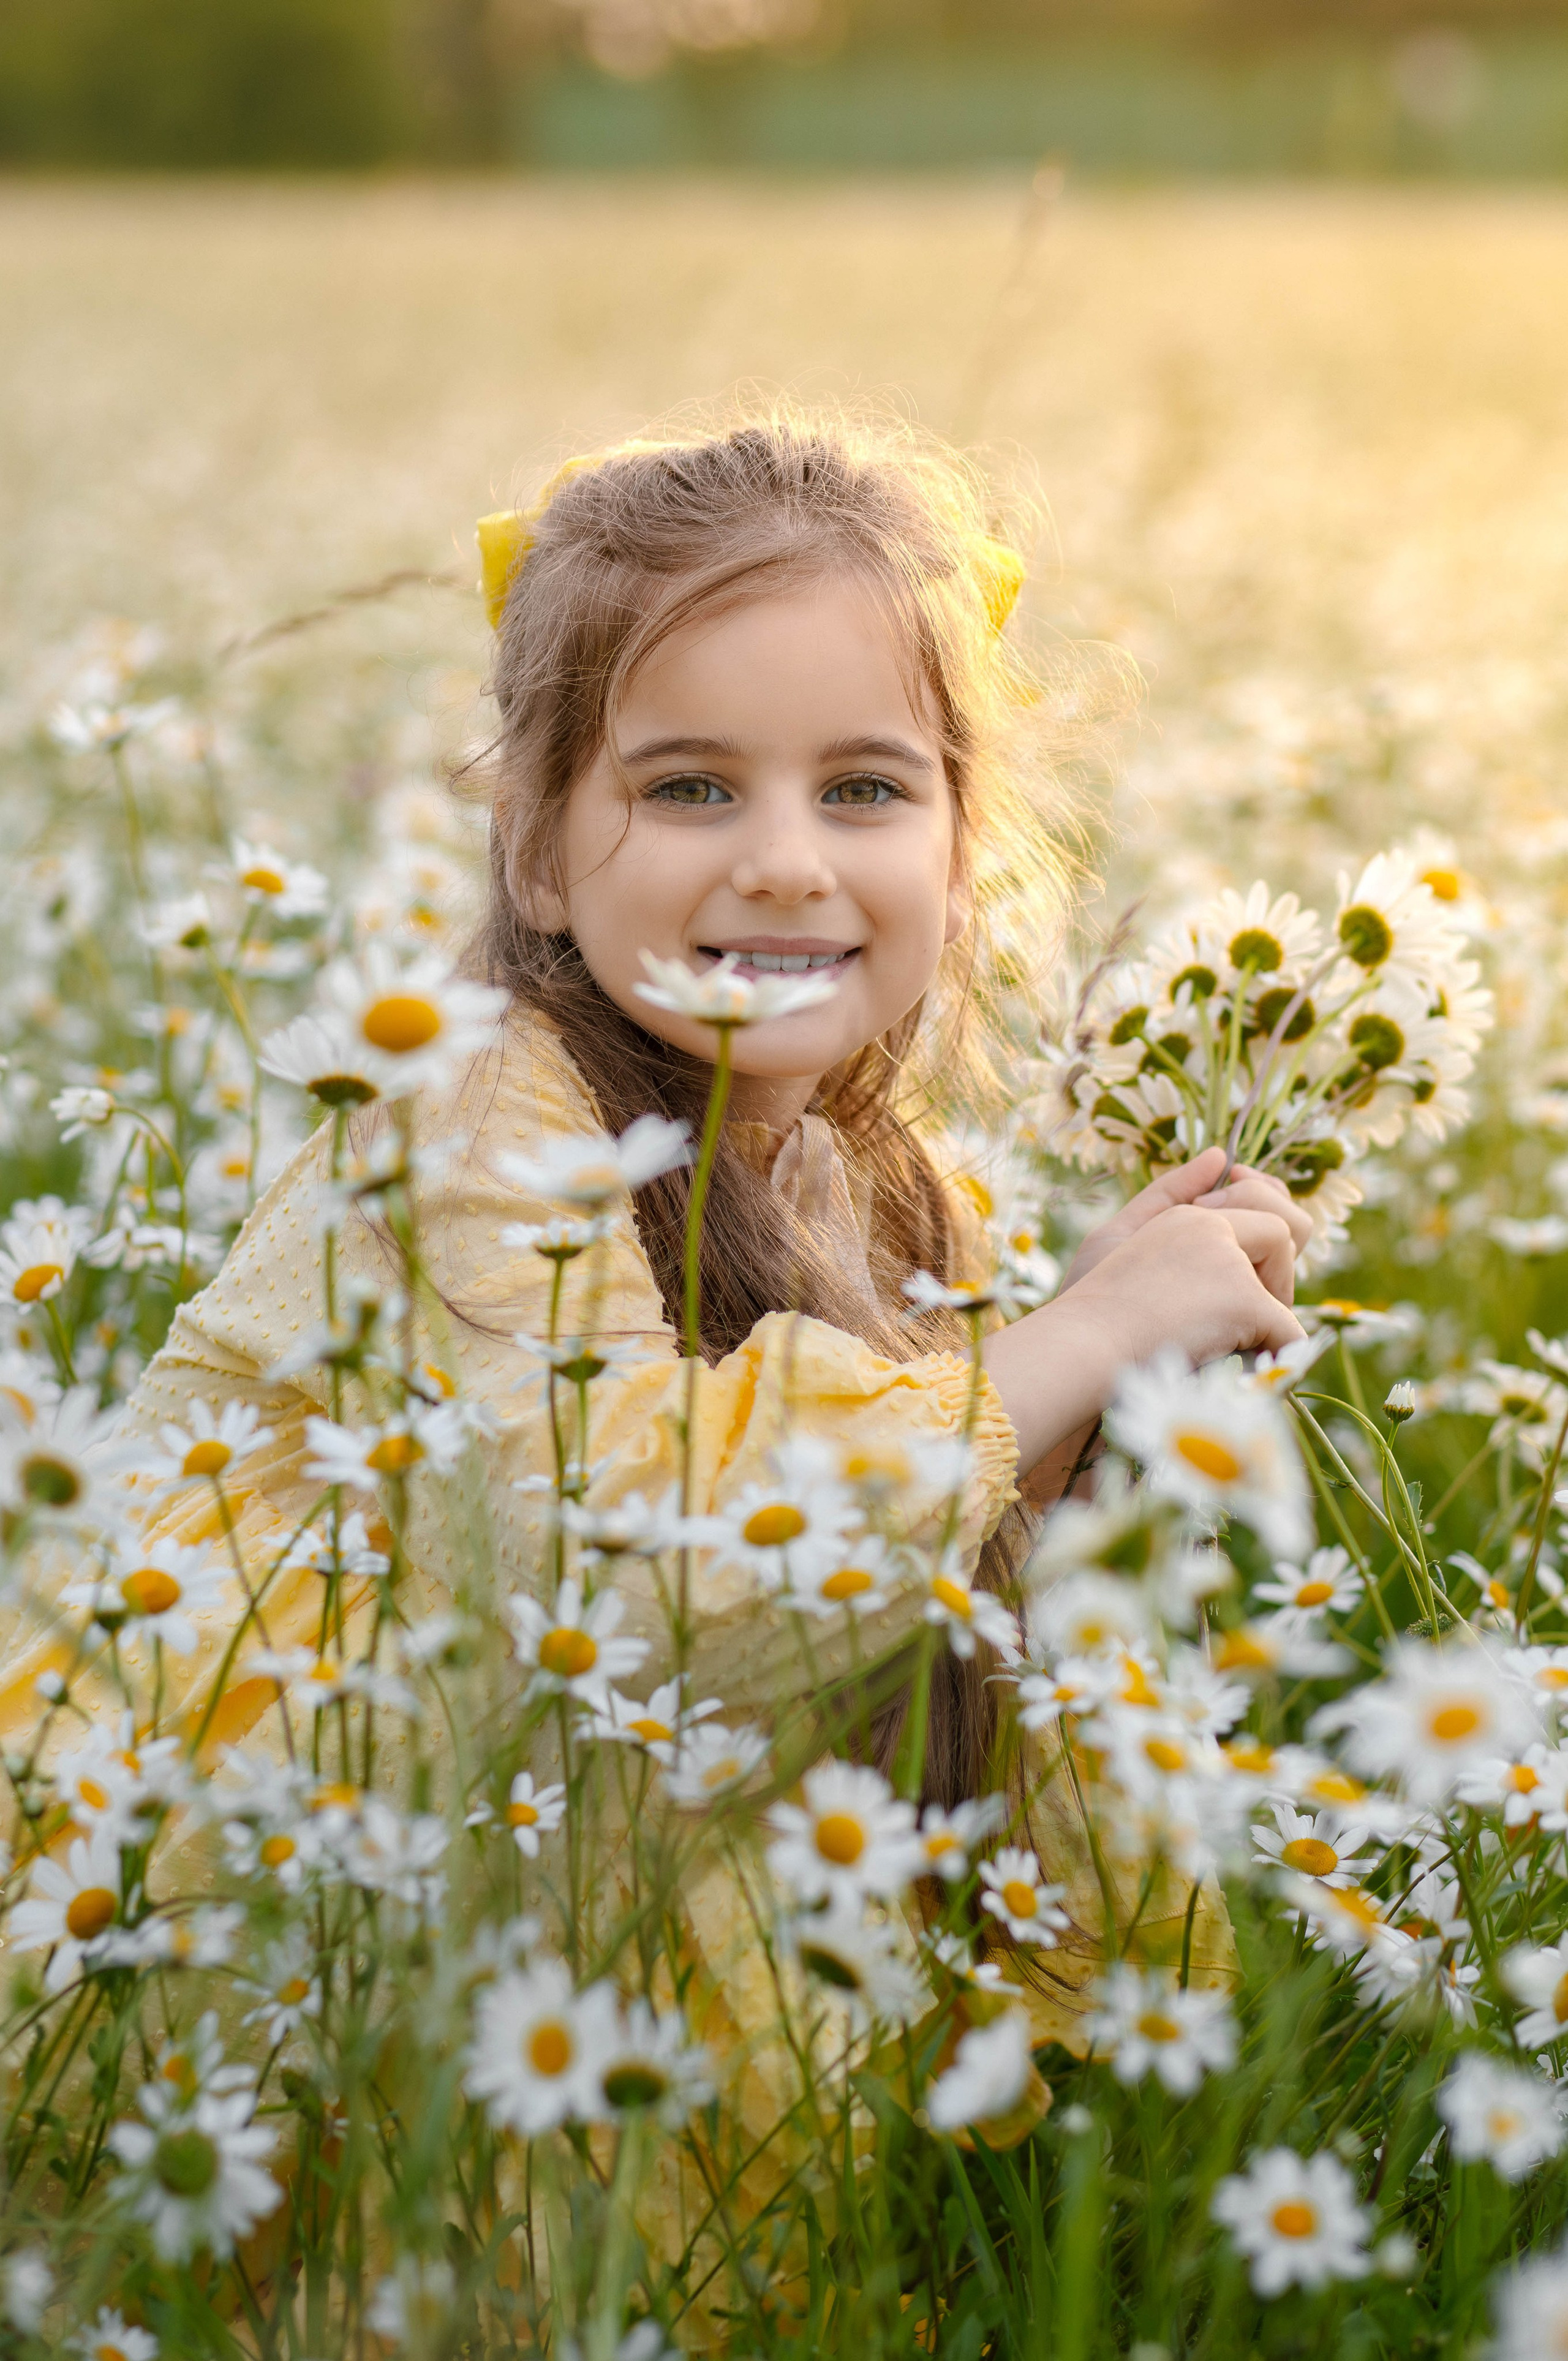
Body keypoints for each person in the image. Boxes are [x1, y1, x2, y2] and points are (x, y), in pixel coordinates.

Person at [38, 407, 1313, 2319]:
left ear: (968, 845)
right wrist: (1070, 1343)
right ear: (540, 850)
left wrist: (1088, 1397)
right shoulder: (470, 1114)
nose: (787, 864)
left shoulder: (906, 1201)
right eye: (693, 789)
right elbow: (633, 1565)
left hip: (587, 1853)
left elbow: (880, 1600)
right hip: (307, 1905)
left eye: (868, 790)